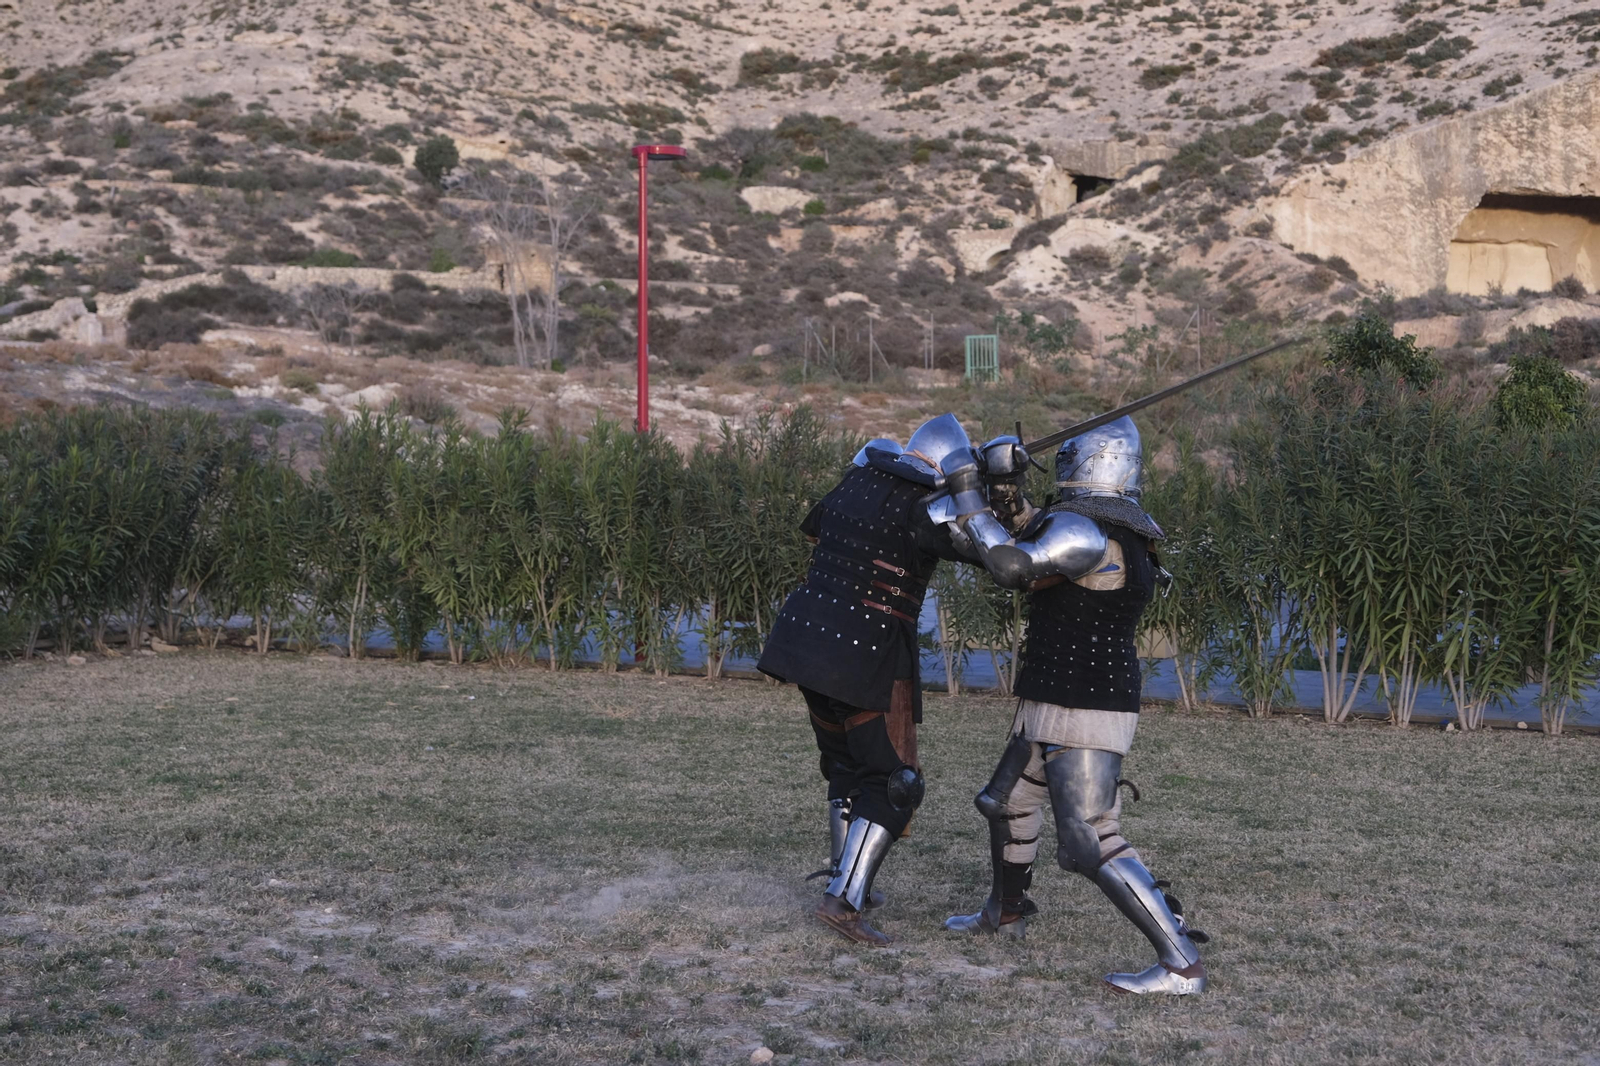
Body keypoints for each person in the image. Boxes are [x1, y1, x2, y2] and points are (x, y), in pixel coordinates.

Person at [940, 416, 1210, 996]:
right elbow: (1029, 533)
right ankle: (1005, 912)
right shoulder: (1110, 529)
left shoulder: (1089, 531)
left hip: (1086, 703)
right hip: (1054, 696)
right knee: (1008, 804)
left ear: (1085, 463)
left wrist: (966, 485)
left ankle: (1179, 963)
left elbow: (1011, 563)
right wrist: (1004, 485)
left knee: (1088, 837)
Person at [758, 414, 989, 947]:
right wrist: (984, 489)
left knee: (846, 765)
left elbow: (816, 527)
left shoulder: (858, 480)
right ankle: (843, 900)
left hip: (809, 641)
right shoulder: (928, 504)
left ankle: (846, 872)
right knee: (893, 783)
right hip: (867, 650)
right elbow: (991, 551)